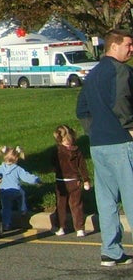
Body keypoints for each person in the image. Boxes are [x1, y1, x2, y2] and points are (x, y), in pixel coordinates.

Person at [75, 28, 133, 266]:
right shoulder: (121, 71)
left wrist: (93, 130)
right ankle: (111, 250)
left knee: (107, 198)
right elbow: (121, 100)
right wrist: (129, 126)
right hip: (121, 142)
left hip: (99, 144)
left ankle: (111, 250)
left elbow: (82, 108)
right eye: (128, 45)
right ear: (114, 45)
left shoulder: (94, 73)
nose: (131, 49)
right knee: (130, 195)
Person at [52, 124, 91, 236]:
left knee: (76, 205)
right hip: (62, 182)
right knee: (61, 206)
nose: (68, 143)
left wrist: (86, 179)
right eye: (65, 141)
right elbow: (54, 164)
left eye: (69, 140)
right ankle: (61, 227)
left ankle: (79, 228)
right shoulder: (58, 151)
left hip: (73, 181)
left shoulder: (75, 151)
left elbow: (82, 166)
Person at [0, 145, 41, 232]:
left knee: (6, 208)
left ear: (4, 157)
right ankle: (23, 209)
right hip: (16, 191)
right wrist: (36, 180)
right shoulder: (18, 169)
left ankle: (6, 224)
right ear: (16, 158)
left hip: (4, 192)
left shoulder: (0, 168)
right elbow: (26, 177)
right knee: (22, 194)